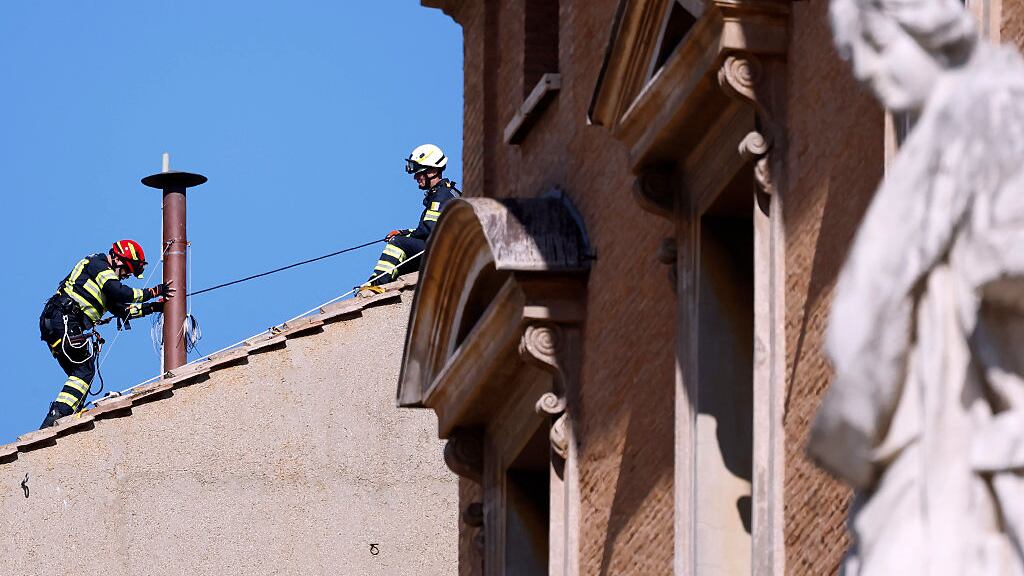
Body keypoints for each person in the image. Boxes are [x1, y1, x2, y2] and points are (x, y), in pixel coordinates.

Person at [808, 0, 1024, 572]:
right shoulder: (931, 146)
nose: (870, 74)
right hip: (919, 441)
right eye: (858, 60)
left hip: (972, 429)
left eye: (880, 50)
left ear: (924, 26)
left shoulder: (1000, 106)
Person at [38, 240, 174, 428]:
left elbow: (123, 311)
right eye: (128, 270)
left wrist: (154, 307)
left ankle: (64, 416)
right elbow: (120, 292)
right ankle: (58, 415)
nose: (127, 276)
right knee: (84, 370)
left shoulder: (105, 283)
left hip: (59, 324)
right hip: (63, 319)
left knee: (83, 374)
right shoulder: (97, 264)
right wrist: (154, 291)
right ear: (118, 259)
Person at [358, 144, 461, 297]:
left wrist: (402, 236)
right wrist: (404, 232)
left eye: (419, 173)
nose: (416, 177)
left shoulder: (442, 194)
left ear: (432, 171)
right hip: (446, 253)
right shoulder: (446, 193)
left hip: (443, 254)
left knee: (398, 244)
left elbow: (430, 228)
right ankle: (388, 291)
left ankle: (376, 284)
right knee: (401, 264)